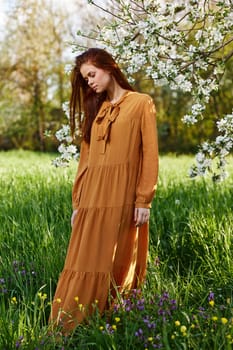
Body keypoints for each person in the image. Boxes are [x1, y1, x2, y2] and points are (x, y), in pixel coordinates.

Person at [50, 48, 159, 332]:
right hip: (91, 199)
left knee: (118, 258)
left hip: (123, 197)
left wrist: (144, 200)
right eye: (86, 79)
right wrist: (77, 203)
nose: (90, 83)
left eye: (92, 74)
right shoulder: (96, 110)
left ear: (109, 67)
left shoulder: (141, 103)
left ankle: (113, 322)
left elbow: (150, 154)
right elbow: (84, 162)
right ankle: (68, 326)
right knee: (82, 258)